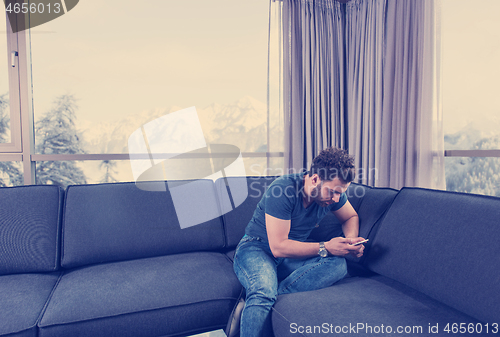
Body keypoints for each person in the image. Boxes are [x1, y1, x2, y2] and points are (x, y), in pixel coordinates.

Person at [233, 147, 366, 337]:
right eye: (333, 192)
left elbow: (350, 216)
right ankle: (262, 298)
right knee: (263, 291)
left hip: (292, 254)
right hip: (257, 248)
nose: (337, 198)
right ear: (314, 179)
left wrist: (349, 241)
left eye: (341, 192)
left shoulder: (333, 194)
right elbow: (278, 247)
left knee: (338, 264)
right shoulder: (283, 189)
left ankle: (260, 302)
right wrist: (327, 247)